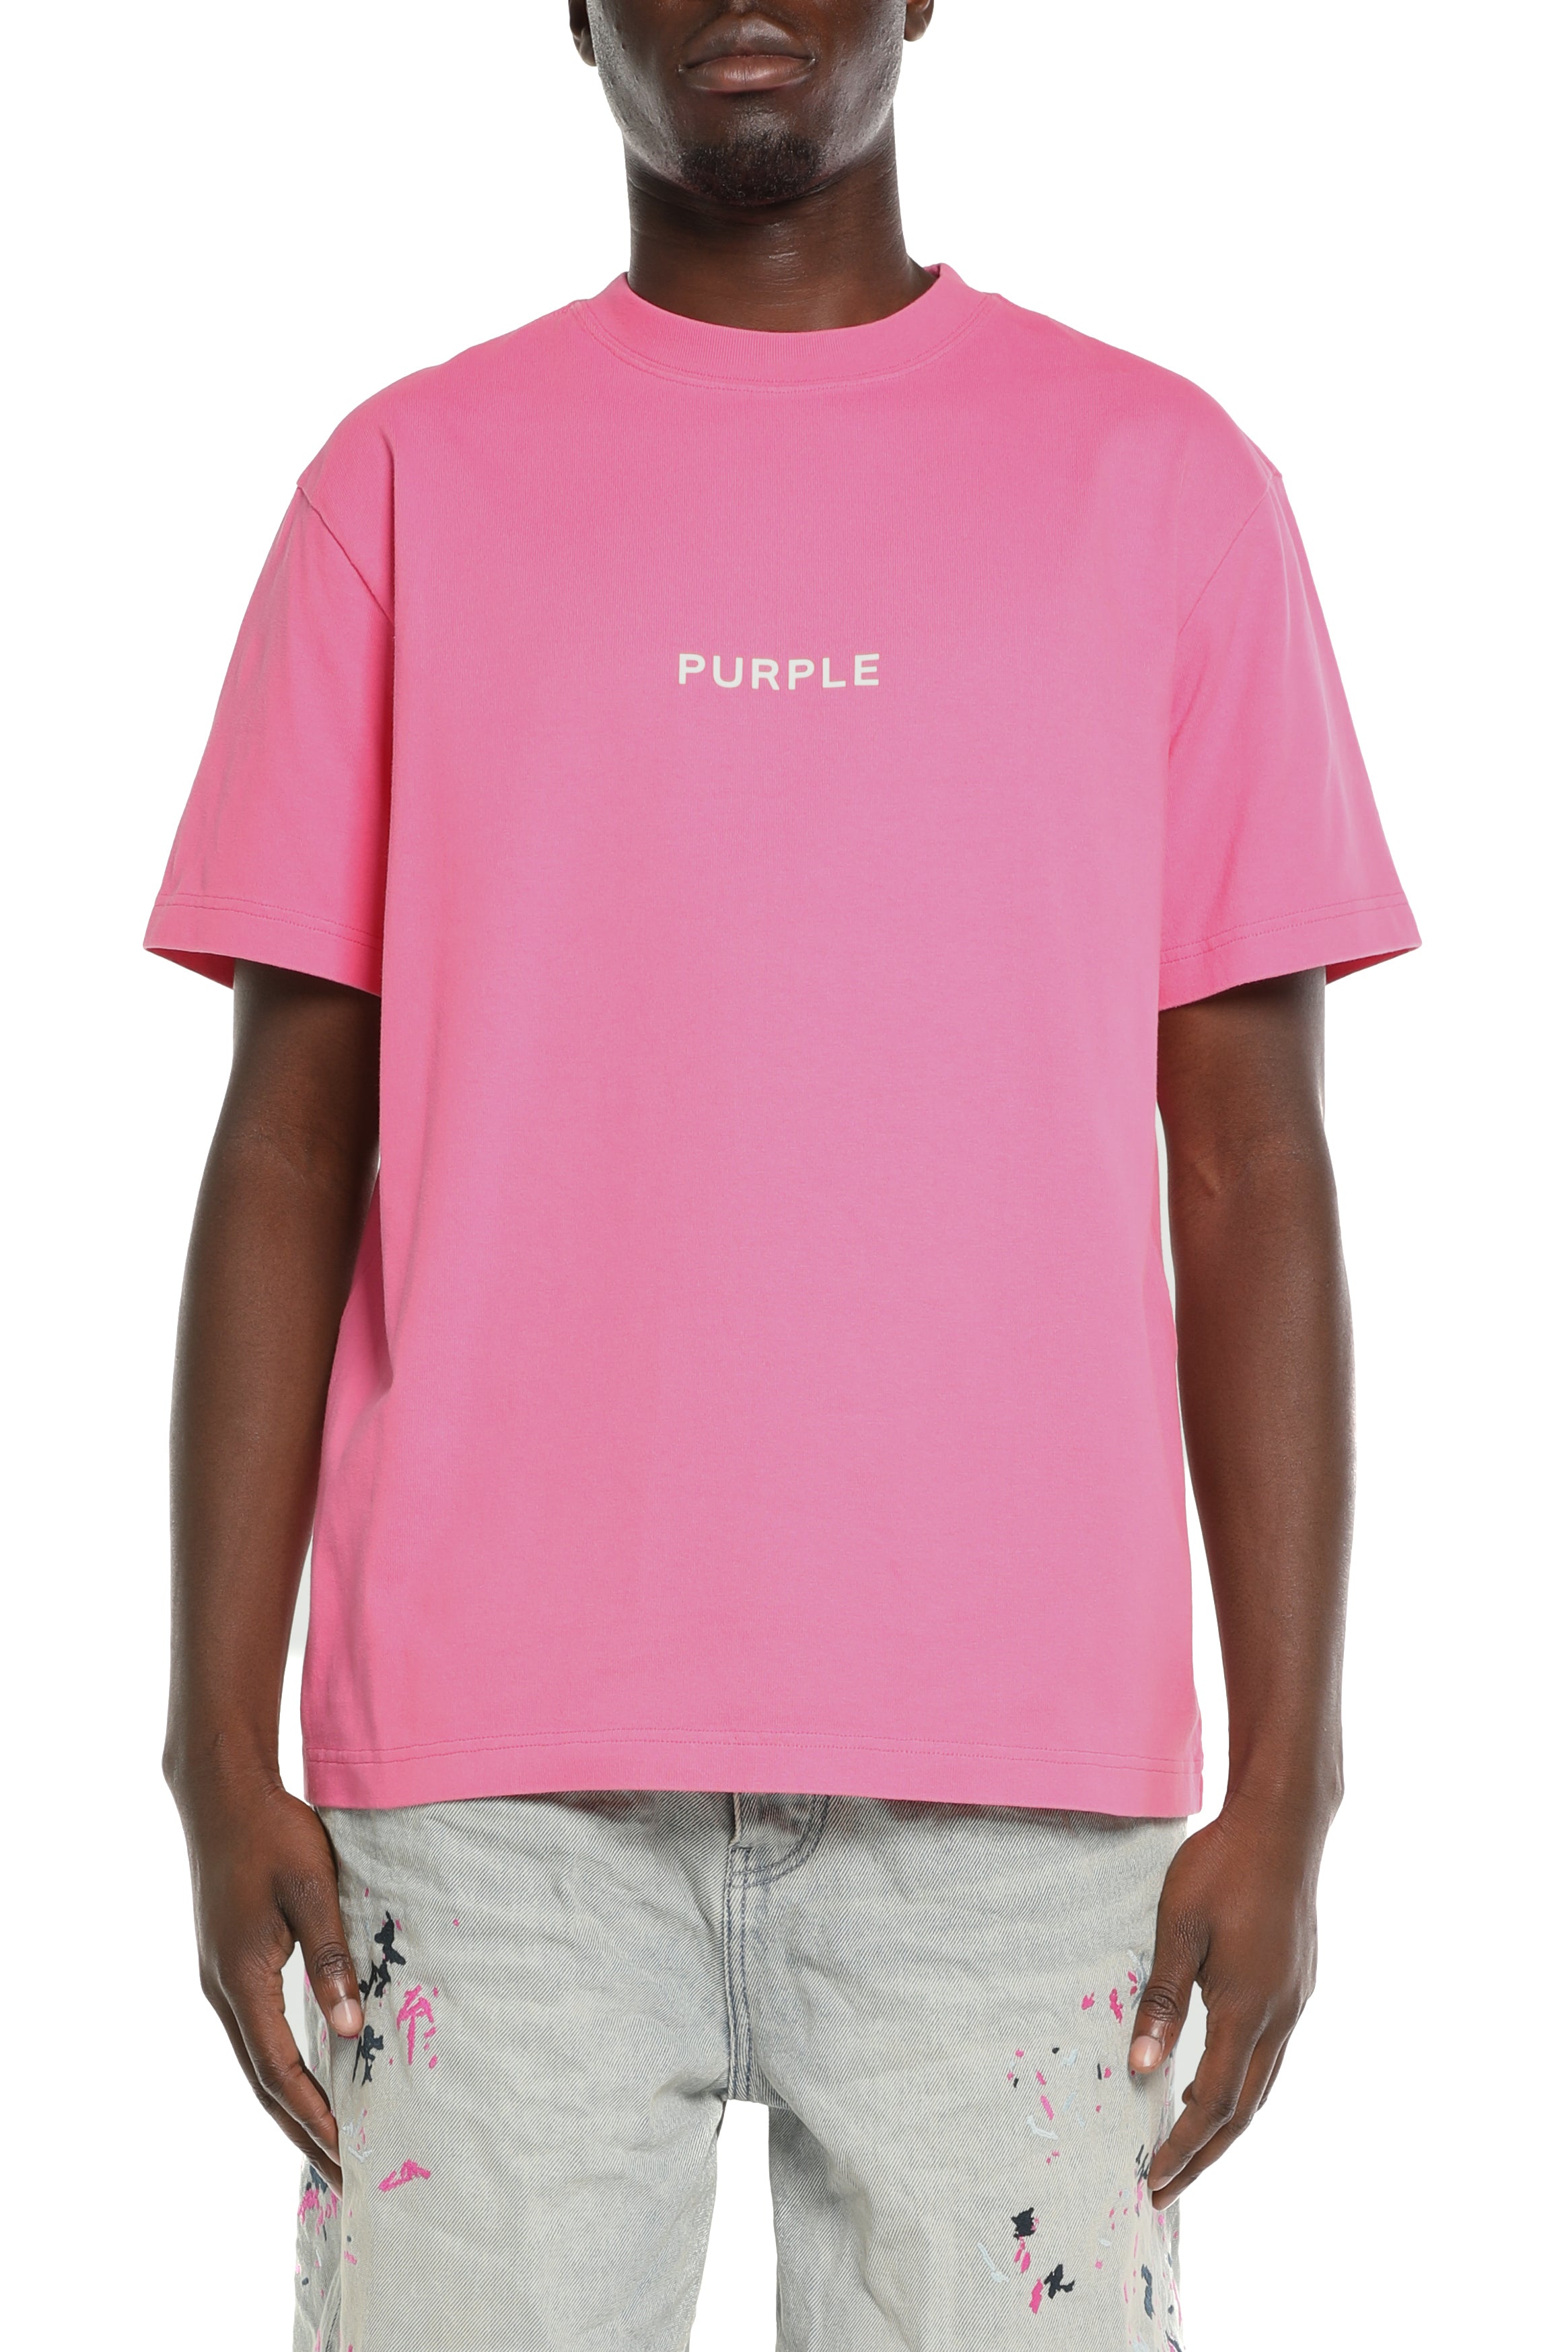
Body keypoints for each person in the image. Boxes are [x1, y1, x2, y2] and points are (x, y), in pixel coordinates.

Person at [147, 4, 1418, 2345]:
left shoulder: (1162, 485)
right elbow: (289, 1132)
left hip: (1019, 1795)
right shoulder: (406, 481)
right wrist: (213, 1746)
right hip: (486, 1788)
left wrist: (1293, 1783)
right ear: (570, 13)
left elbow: (1251, 1164)